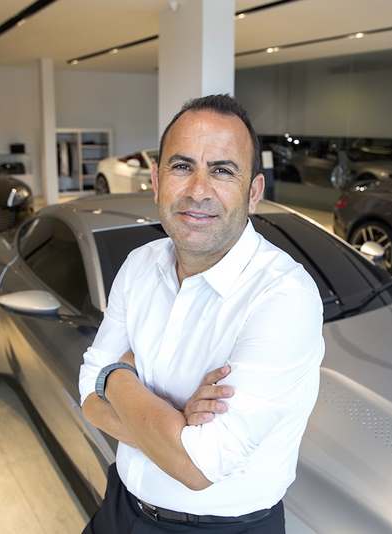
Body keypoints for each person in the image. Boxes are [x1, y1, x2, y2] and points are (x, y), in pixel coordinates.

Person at [78, 94, 325, 533]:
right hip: (120, 508)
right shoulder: (139, 265)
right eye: (181, 166)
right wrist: (174, 426)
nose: (197, 190)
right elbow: (87, 397)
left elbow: (197, 465)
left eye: (222, 171)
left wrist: (115, 377)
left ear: (253, 193)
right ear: (156, 181)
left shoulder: (285, 296)